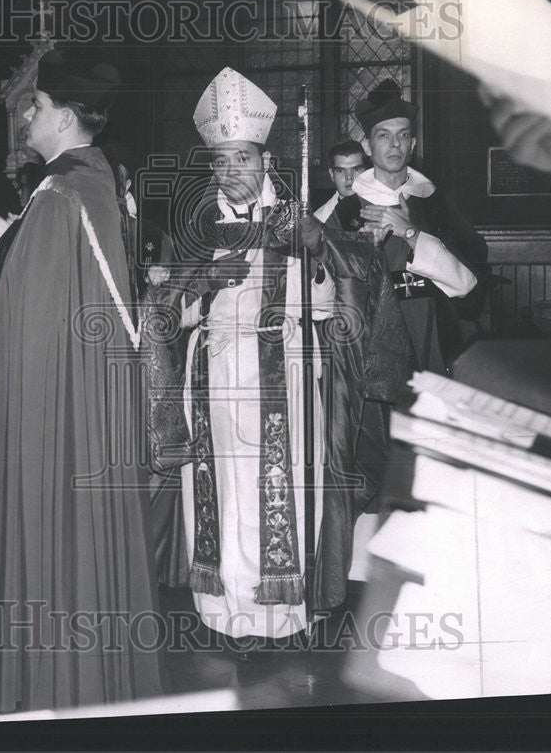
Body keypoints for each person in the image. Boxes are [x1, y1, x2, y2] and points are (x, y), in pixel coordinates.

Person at [147, 67, 411, 653]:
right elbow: (163, 318)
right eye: (220, 162)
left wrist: (314, 251)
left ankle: (282, 617)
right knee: (222, 492)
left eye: (242, 159)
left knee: (281, 489)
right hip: (213, 377)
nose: (231, 172)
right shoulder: (196, 229)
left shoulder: (300, 221)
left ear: (264, 162)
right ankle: (224, 613)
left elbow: (352, 284)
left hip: (285, 376)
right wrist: (199, 289)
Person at [0, 54, 163, 711]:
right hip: (93, 400)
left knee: (58, 526)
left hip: (63, 408)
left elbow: (39, 315)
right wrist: (17, 243)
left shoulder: (59, 191)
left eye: (34, 105)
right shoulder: (99, 179)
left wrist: (9, 247)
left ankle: (62, 687)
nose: (25, 113)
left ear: (66, 117)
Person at [315, 80, 488, 374]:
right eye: (384, 136)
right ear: (368, 146)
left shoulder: (438, 205)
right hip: (369, 348)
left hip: (435, 340)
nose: (395, 144)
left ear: (413, 144)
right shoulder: (345, 213)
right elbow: (323, 300)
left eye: (403, 135)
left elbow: (471, 288)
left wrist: (412, 234)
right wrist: (364, 251)